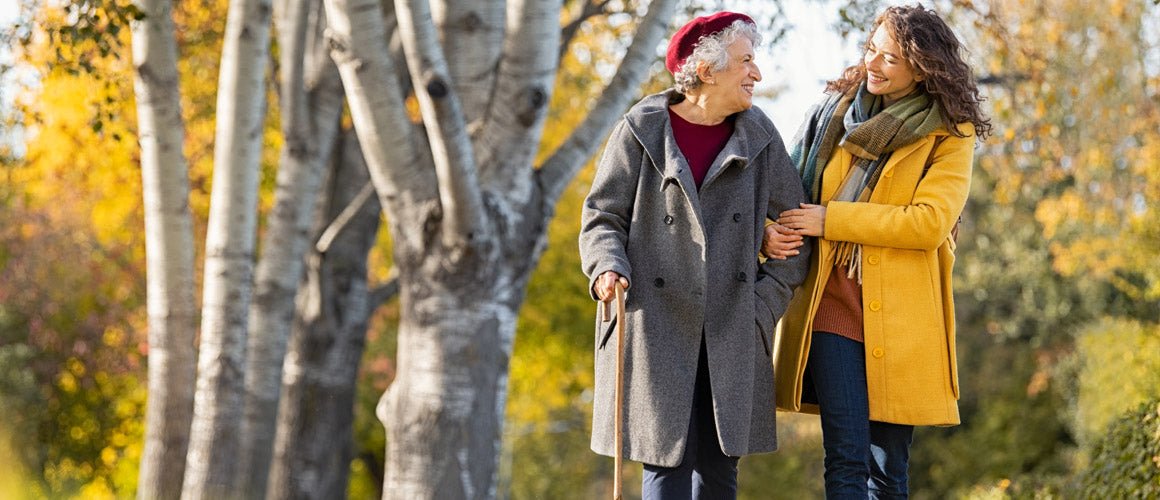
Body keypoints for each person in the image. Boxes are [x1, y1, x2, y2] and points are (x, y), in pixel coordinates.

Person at [764, 4, 993, 498]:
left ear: (923, 66)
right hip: (830, 304)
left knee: (889, 471)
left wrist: (832, 220)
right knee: (846, 457)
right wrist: (770, 230)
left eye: (890, 58)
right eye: (871, 50)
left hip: (903, 315)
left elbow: (929, 223)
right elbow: (782, 191)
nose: (873, 63)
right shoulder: (833, 114)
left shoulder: (950, 134)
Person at [579, 11, 811, 499]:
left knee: (720, 473)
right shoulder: (641, 130)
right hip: (655, 326)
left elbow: (797, 230)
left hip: (731, 328)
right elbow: (603, 217)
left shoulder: (760, 137)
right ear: (707, 70)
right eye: (746, 61)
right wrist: (607, 268)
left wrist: (760, 309)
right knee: (665, 470)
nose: (757, 73)